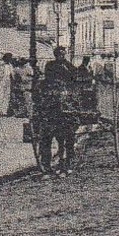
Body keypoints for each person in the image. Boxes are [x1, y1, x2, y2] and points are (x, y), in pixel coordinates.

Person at [37, 46, 77, 175]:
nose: (62, 56)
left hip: (64, 96)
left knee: (69, 137)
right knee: (46, 137)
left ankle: (68, 161)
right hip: (53, 94)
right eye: (60, 54)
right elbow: (48, 77)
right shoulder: (51, 64)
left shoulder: (67, 64)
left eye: (63, 54)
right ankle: (46, 164)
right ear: (56, 55)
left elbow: (73, 75)